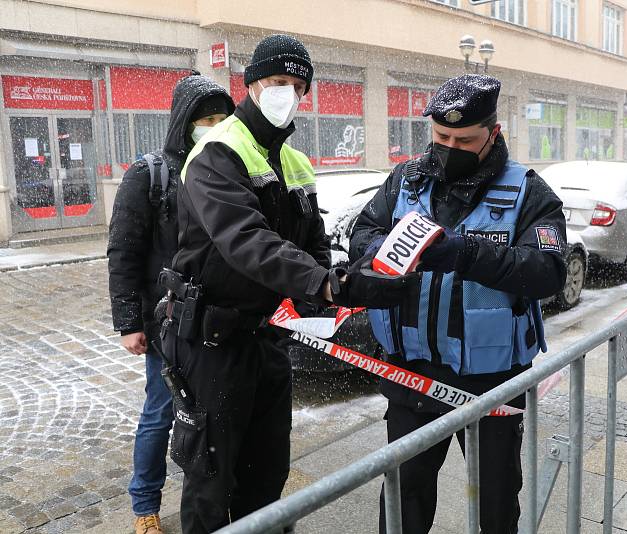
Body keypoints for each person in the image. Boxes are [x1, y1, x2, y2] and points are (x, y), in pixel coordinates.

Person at [163, 34, 411, 533]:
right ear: (252, 84)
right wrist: (324, 283)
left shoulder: (294, 161)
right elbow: (246, 241)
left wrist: (347, 276)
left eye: (298, 86)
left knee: (267, 475)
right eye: (278, 81)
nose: (288, 93)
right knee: (211, 480)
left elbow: (311, 240)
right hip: (212, 341)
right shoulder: (216, 152)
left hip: (268, 337)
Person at [349, 74, 568, 534]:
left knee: (494, 505)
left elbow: (547, 272)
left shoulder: (529, 191)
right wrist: (383, 256)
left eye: (464, 139)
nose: (449, 146)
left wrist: (463, 253)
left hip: (491, 384)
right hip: (411, 372)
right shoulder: (405, 179)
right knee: (403, 501)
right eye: (441, 135)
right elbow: (362, 231)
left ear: (493, 133)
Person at [107, 74, 235, 534]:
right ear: (185, 121)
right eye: (206, 118)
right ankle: (145, 506)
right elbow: (123, 250)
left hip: (215, 324)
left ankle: (208, 496)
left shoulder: (227, 169)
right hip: (165, 327)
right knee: (162, 414)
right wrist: (128, 322)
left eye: (223, 118)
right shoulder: (150, 174)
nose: (215, 126)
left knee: (211, 415)